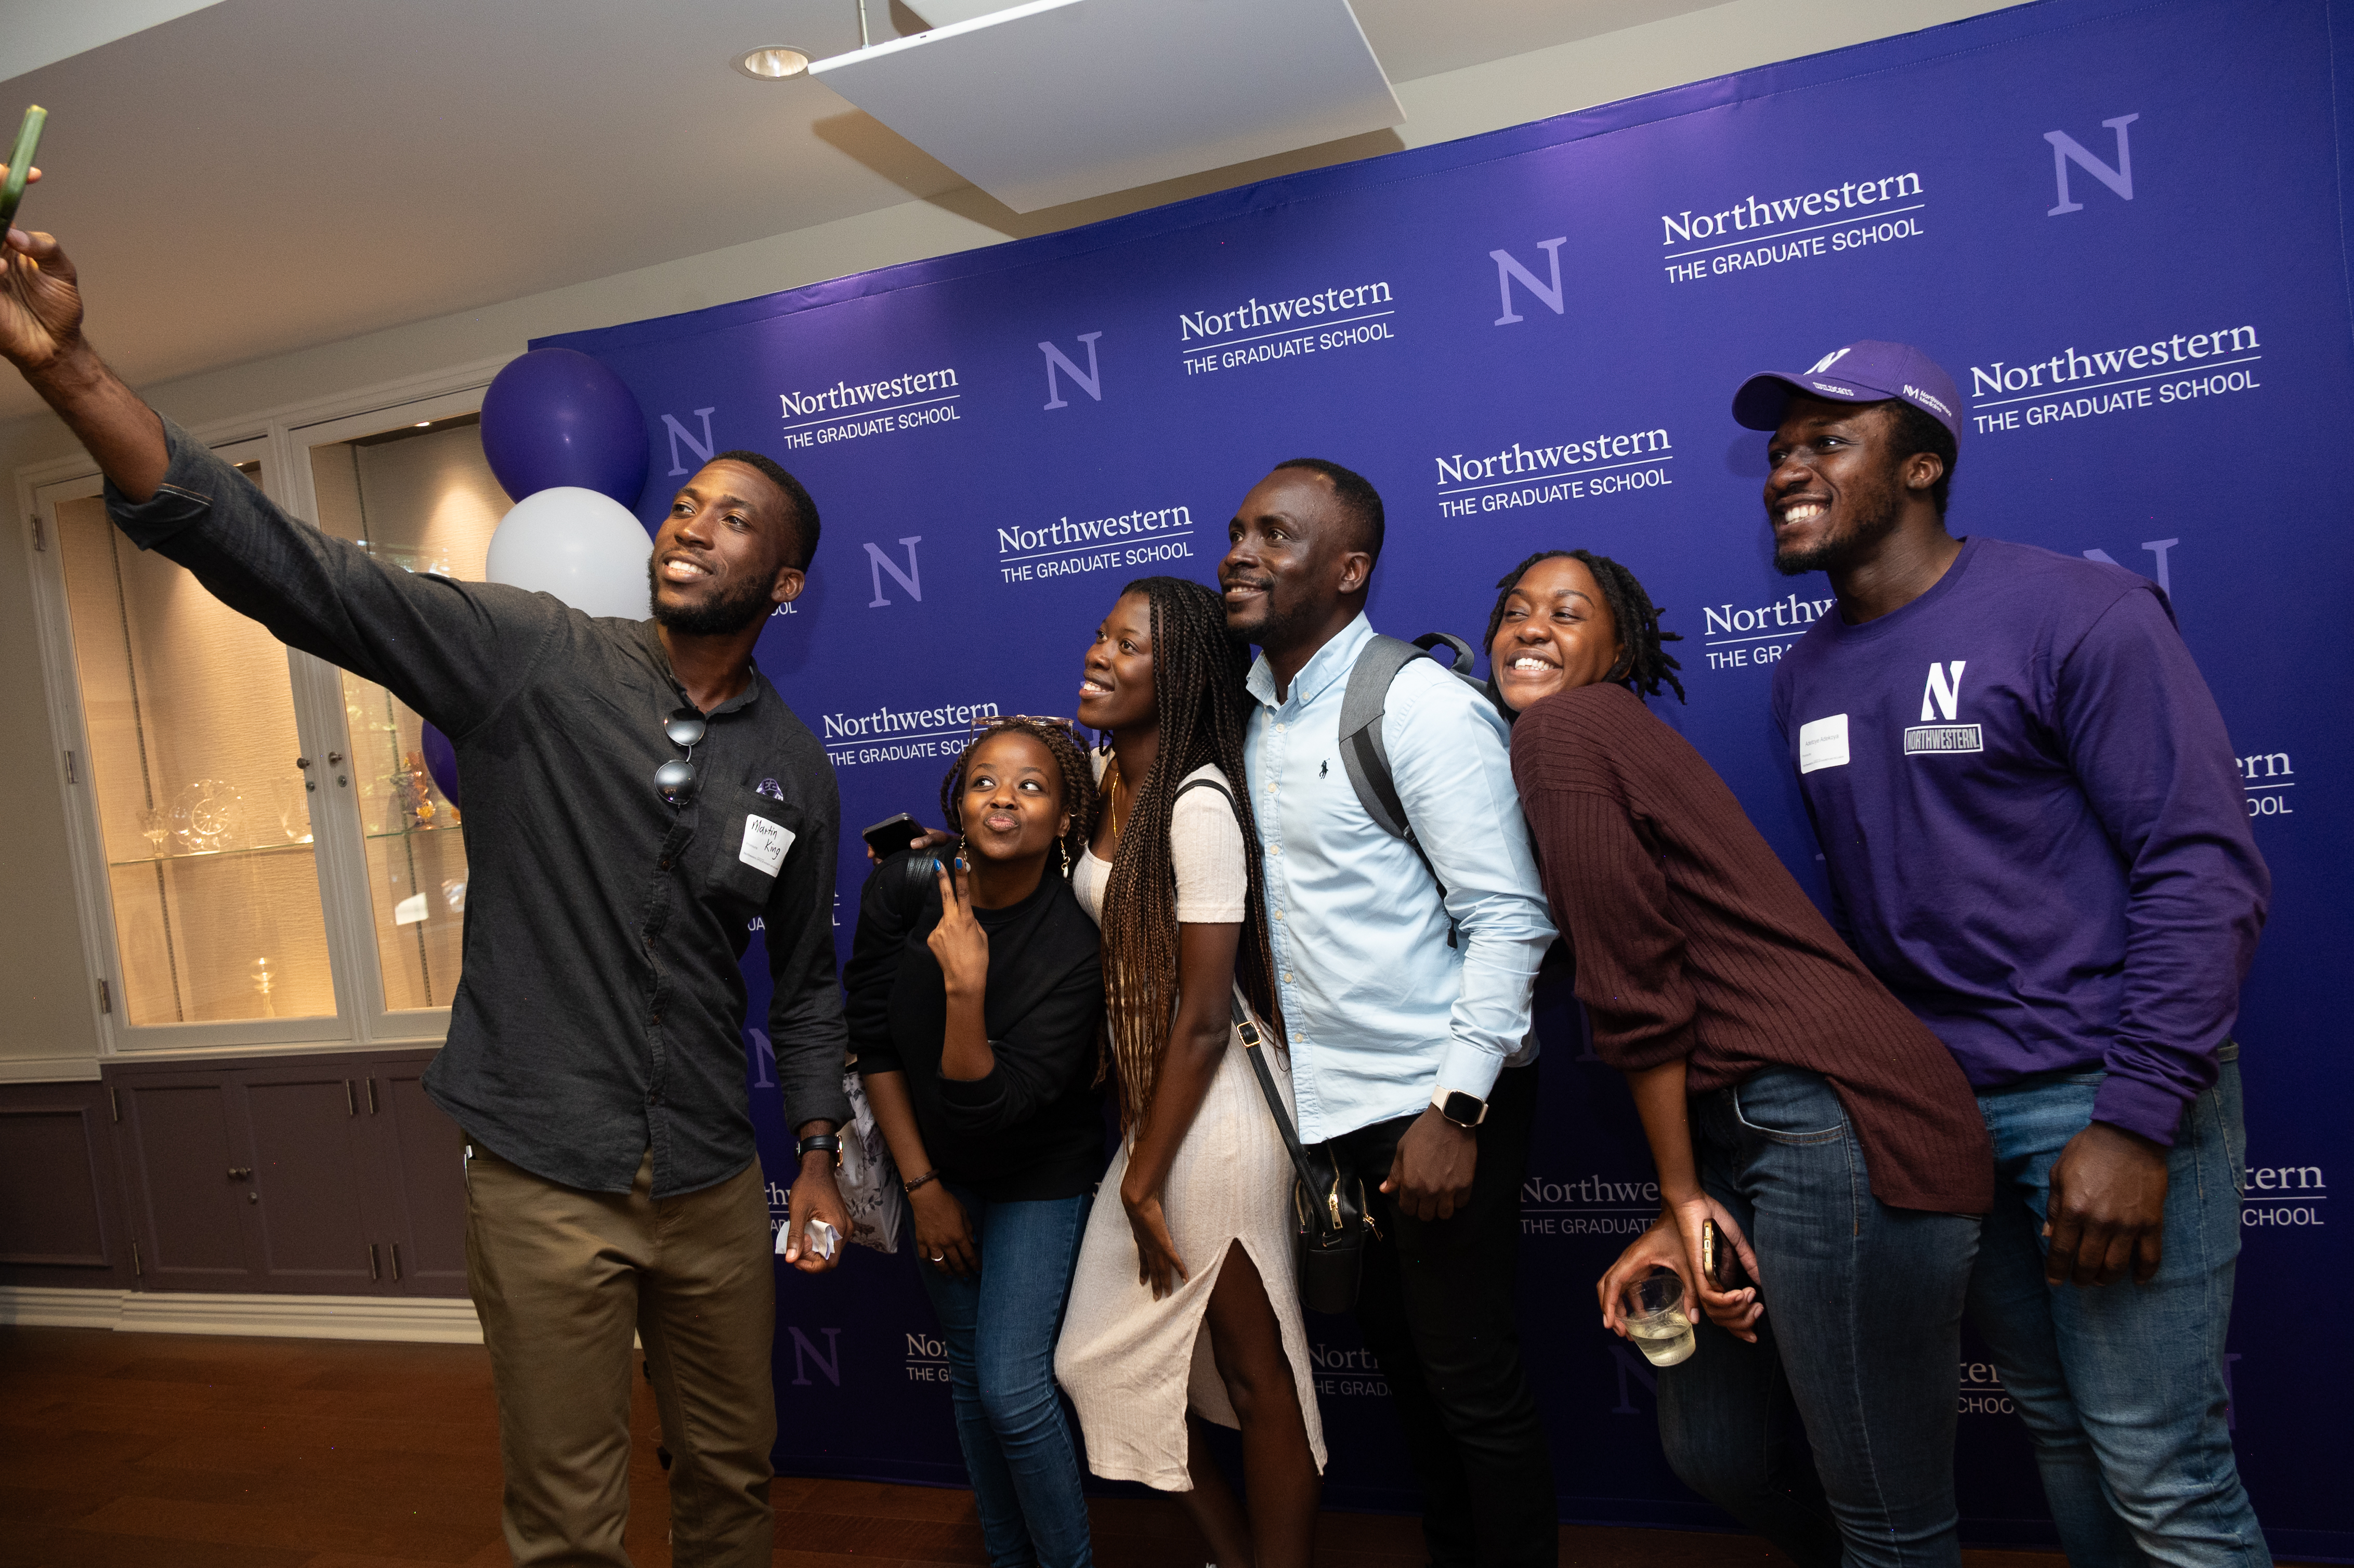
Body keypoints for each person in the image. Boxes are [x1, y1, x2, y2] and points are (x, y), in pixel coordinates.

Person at [1, 185, 849, 1566]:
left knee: (735, 1495)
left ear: (790, 581)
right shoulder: (539, 659)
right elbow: (296, 568)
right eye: (685, 505)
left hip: (706, 1183)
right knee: (568, 1526)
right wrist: (68, 369)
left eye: (735, 519)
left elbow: (807, 983)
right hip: (545, 1179)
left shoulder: (795, 769)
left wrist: (815, 1157)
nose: (692, 526)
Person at [1737, 339, 2272, 1565]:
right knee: (2061, 1432)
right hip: (1945, 1119)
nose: (1785, 471)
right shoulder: (1801, 675)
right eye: (1776, 453)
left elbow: (2201, 867)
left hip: (2106, 1092)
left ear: (1921, 464)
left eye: (1828, 441)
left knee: (2159, 1467)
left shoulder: (2074, 609)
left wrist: (2134, 1122)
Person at [1488, 547, 1994, 1567]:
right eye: (1512, 610)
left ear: (1619, 646)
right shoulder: (1599, 735)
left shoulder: (1565, 729)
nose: (1528, 627)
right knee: (1715, 1448)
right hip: (1753, 1125)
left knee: (1893, 1525)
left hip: (1842, 1118)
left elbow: (1635, 985)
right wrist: (1684, 1197)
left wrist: (1678, 1193)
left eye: (1566, 611)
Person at [1216, 460, 1560, 1568]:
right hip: (1335, 1123)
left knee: (1471, 1385)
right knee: (1411, 1382)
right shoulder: (1253, 715)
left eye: (1274, 535)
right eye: (1235, 532)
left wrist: (1453, 1111)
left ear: (1347, 568)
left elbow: (1509, 918)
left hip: (1437, 1105)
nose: (1239, 552)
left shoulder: (1415, 702)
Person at [1054, 578, 1327, 1568]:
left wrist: (1143, 1172)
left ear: (1184, 676)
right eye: (1100, 636)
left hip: (1218, 1116)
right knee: (1095, 1362)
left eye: (1130, 646)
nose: (1101, 655)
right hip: (1159, 1107)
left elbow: (1208, 1013)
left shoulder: (1199, 799)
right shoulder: (1098, 780)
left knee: (1258, 1374)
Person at [844, 717, 1105, 1568]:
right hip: (937, 1171)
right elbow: (873, 1043)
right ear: (958, 801)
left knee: (1012, 1388)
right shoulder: (908, 888)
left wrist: (965, 984)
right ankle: (1008, 1558)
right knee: (968, 1376)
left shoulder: (1075, 945)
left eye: (1033, 786)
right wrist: (923, 1190)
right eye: (986, 780)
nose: (1004, 797)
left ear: (1065, 819)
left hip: (1037, 1172)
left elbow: (993, 1105)